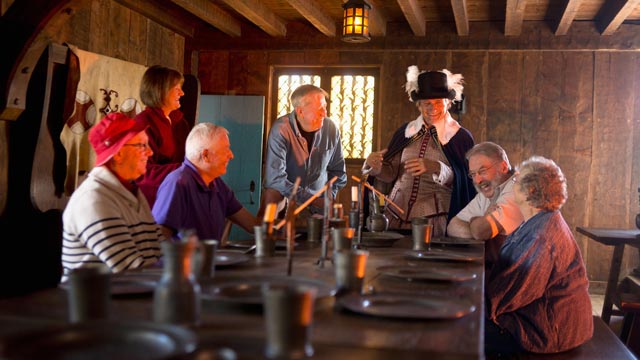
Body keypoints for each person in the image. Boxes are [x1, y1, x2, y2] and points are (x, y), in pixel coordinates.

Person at [485, 156, 592, 356]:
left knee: (462, 331)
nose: (511, 183)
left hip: (548, 332)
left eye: (516, 180)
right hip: (551, 323)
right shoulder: (540, 220)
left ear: (530, 191)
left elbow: (502, 299)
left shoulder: (540, 236)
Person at [363, 66, 476, 236]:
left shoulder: (460, 137)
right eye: (427, 103)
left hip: (435, 220)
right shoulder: (405, 132)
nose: (432, 108)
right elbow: (390, 175)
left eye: (438, 102)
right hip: (394, 216)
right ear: (419, 105)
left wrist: (436, 167)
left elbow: (466, 181)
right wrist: (377, 168)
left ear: (448, 102)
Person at [61, 113, 164, 282]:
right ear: (118, 154)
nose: (150, 152)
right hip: (94, 303)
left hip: (128, 296)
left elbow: (160, 251)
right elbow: (130, 270)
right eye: (142, 145)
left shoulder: (132, 193)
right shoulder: (94, 199)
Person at [152, 123, 258, 240]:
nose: (231, 155)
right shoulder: (177, 183)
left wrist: (278, 227)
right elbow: (159, 237)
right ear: (205, 155)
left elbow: (252, 225)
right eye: (225, 149)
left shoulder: (217, 184)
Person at [260, 84, 347, 222]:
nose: (324, 113)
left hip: (321, 201)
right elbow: (275, 179)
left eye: (325, 107)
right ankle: (265, 238)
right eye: (319, 109)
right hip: (285, 199)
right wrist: (311, 199)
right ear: (300, 111)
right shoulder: (281, 130)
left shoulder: (331, 129)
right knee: (272, 193)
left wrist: (328, 198)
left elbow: (339, 174)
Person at [446, 142, 524, 268]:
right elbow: (453, 226)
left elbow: (481, 232)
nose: (477, 180)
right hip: (501, 270)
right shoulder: (488, 191)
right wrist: (480, 224)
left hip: (522, 275)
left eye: (482, 171)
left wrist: (477, 225)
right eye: (473, 174)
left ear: (503, 167)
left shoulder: (518, 188)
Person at [135, 65, 192, 208]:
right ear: (160, 91)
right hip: (154, 203)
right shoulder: (143, 124)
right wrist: (188, 169)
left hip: (179, 196)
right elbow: (143, 172)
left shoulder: (180, 123)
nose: (183, 93)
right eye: (177, 89)